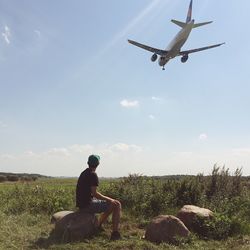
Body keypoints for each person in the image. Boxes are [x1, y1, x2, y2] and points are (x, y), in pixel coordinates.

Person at [76, 154, 121, 240]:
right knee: (117, 204)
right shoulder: (93, 174)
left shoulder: (83, 173)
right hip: (88, 205)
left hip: (81, 205)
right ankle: (115, 233)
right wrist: (111, 199)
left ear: (88, 163)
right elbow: (95, 193)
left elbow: (90, 193)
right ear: (98, 164)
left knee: (111, 204)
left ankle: (99, 225)